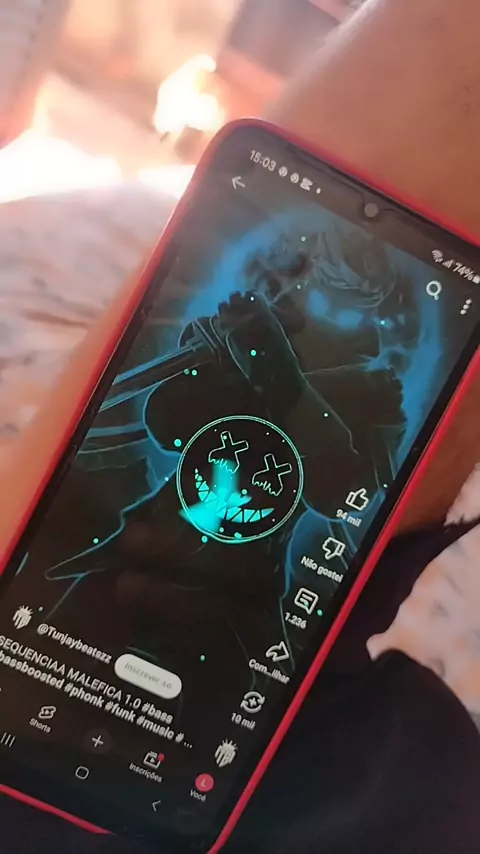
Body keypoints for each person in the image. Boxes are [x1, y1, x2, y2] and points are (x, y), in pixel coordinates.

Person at [1, 0, 480, 852]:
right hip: (131, 577)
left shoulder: (367, 393)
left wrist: (276, 370)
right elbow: (170, 415)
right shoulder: (246, 341)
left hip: (228, 613)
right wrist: (230, 361)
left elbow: (346, 481)